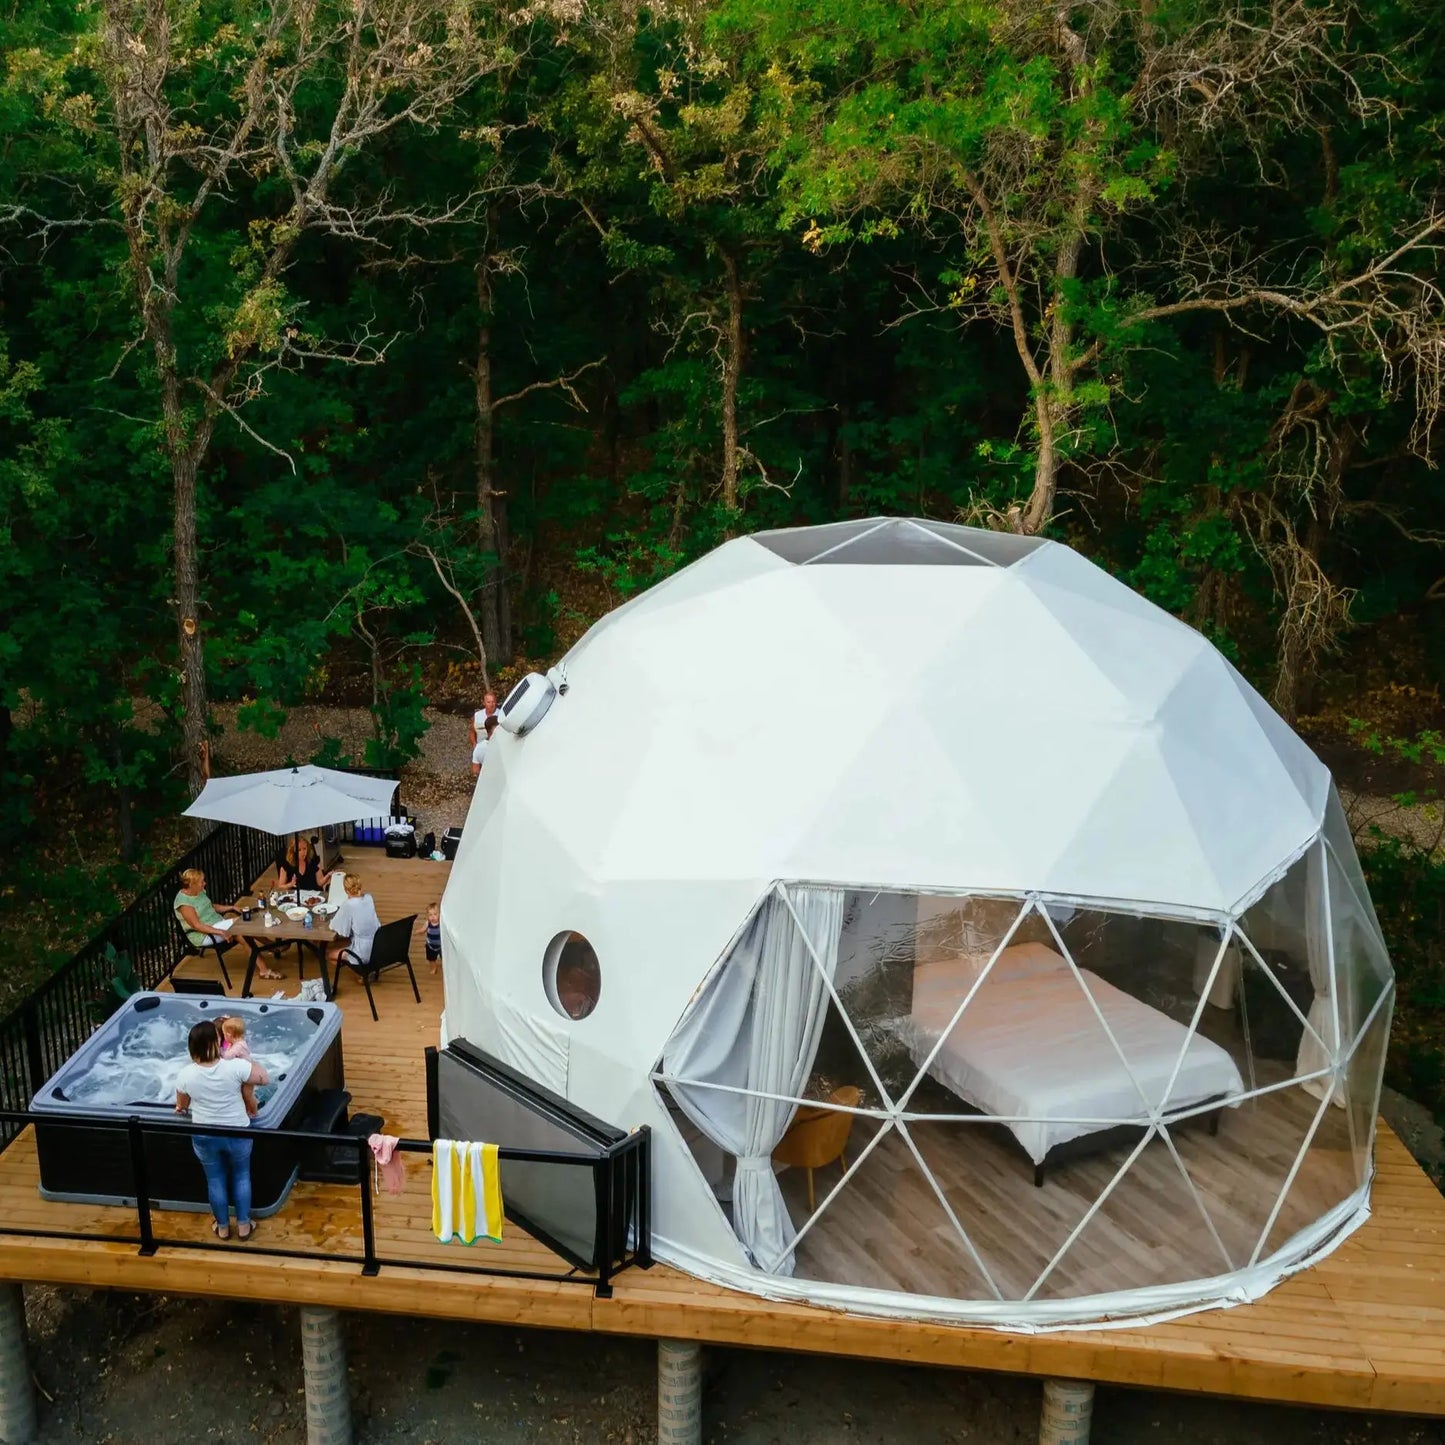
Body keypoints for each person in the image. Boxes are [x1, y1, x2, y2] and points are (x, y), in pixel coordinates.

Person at [175, 1020, 269, 1241]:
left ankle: (223, 1227)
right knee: (241, 1175)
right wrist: (247, 1059)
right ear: (218, 1041)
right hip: (237, 1130)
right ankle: (244, 1225)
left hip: (206, 1135)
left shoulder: (185, 1074)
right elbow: (265, 1077)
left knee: (215, 1180)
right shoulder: (234, 1067)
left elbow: (182, 1106)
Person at [173, 869, 240, 960]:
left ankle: (264, 950)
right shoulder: (184, 904)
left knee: (243, 927)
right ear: (192, 885)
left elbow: (209, 906)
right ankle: (262, 966)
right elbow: (197, 926)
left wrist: (232, 907)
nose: (204, 883)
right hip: (204, 935)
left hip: (217, 924)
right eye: (201, 882)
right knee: (241, 924)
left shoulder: (198, 891)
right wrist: (220, 932)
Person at [329, 872, 382, 978]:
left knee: (329, 955)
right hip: (377, 945)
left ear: (346, 890)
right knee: (345, 942)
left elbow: (336, 927)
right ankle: (362, 970)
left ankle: (360, 973)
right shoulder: (369, 898)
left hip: (362, 952)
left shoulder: (348, 905)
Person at [217, 1016, 259, 1118]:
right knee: (243, 1095)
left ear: (229, 1034)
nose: (224, 1037)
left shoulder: (239, 1046)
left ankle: (254, 1113)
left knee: (247, 1095)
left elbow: (227, 1056)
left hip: (248, 1075)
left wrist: (218, 1051)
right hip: (243, 1074)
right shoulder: (235, 1043)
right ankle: (248, 1109)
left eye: (224, 1034)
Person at [425, 902, 442, 976]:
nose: (433, 917)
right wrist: (418, 931)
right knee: (431, 959)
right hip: (430, 945)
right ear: (428, 916)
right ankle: (434, 967)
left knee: (444, 957)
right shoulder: (428, 923)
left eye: (435, 914)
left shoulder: (441, 923)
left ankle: (446, 967)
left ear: (439, 914)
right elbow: (423, 929)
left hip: (440, 945)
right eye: (430, 915)